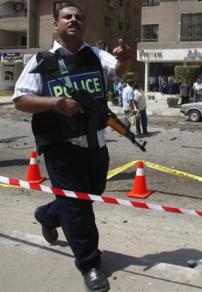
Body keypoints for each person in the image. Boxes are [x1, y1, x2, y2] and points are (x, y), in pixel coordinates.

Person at [12, 2, 131, 291]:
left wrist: (127, 58)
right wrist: (56, 103)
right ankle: (90, 264)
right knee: (78, 210)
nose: (74, 20)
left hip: (95, 143)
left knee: (89, 195)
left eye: (78, 17)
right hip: (60, 146)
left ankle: (47, 214)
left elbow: (118, 70)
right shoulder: (42, 60)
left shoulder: (94, 54)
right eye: (67, 16)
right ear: (56, 25)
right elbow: (20, 100)